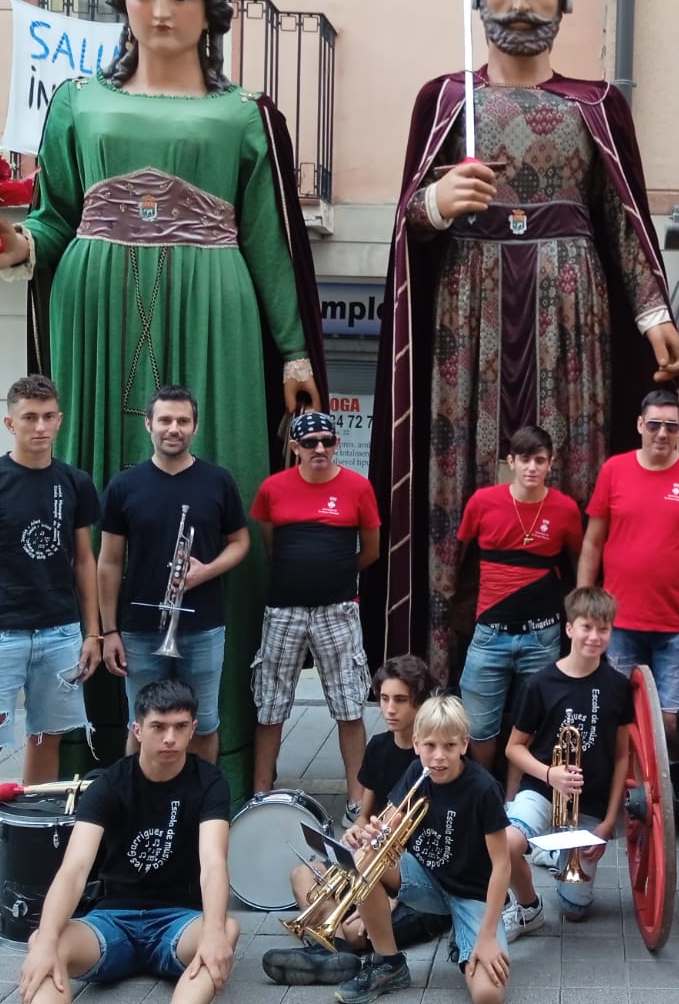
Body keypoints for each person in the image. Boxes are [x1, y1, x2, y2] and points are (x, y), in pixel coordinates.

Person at [0, 0, 328, 794]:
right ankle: (94, 755)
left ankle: (215, 756)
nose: (159, 10)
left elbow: (270, 242)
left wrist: (293, 352)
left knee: (218, 494)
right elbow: (54, 217)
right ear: (121, 4)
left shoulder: (244, 113)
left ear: (210, 11)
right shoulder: (78, 102)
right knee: (95, 502)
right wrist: (12, 247)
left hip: (214, 303)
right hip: (95, 306)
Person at [371, 0, 679, 683]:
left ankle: (568, 668)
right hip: (468, 302)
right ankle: (452, 669)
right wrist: (438, 202)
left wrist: (652, 312)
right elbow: (409, 223)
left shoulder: (596, 104)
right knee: (464, 480)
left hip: (566, 307)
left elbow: (622, 221)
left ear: (563, 4)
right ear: (478, 1)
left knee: (566, 477)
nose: (520, 3)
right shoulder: (446, 100)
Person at [0, 374, 100, 917]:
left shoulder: (75, 482)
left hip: (59, 633)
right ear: (10, 422)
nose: (40, 426)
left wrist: (92, 631)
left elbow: (84, 561)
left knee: (46, 741)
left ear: (60, 419)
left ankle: (33, 849)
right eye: (29, 417)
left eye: (49, 416)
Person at [14, 678, 239, 1004]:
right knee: (43, 941)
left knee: (225, 930)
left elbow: (213, 863)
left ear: (193, 729)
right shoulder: (109, 785)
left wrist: (214, 932)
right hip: (111, 920)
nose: (170, 738)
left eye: (180, 727)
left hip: (180, 920)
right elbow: (74, 869)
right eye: (158, 727)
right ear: (138, 730)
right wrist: (47, 941)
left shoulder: (210, 782)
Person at [262, 655, 449, 988]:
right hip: (370, 862)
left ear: (420, 703)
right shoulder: (378, 747)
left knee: (356, 930)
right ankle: (334, 950)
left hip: (410, 879)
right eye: (384, 698)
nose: (389, 709)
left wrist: (393, 898)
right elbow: (364, 815)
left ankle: (331, 947)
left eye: (400, 700)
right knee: (302, 875)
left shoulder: (434, 759)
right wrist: (354, 833)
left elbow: (441, 848)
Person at [99, 385, 249, 764]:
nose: (173, 428)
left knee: (203, 725)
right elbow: (109, 561)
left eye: (183, 421)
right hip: (140, 628)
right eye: (165, 420)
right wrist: (109, 630)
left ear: (195, 426)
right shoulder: (124, 485)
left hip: (203, 626)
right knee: (143, 724)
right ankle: (137, 797)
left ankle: (201, 799)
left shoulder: (218, 480)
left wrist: (206, 571)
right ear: (148, 424)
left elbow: (240, 542)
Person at [335, 697, 512, 1004]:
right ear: (416, 744)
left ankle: (466, 934)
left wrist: (486, 936)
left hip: (473, 895)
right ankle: (389, 964)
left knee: (487, 995)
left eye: (449, 746)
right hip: (429, 880)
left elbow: (502, 865)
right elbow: (390, 825)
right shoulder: (417, 770)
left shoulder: (483, 788)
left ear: (464, 744)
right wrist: (375, 837)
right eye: (430, 745)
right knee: (365, 859)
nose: (439, 756)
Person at [248, 411, 380, 802]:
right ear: (295, 447)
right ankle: (261, 796)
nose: (319, 448)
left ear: (337, 443)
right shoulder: (272, 488)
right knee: (270, 705)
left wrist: (335, 573)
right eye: (309, 442)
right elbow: (271, 546)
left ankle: (357, 801)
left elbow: (371, 550)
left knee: (349, 705)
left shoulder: (358, 487)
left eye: (327, 440)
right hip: (283, 612)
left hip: (338, 610)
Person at [577, 390, 679, 745]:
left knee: (674, 723)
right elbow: (592, 542)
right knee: (620, 719)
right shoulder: (614, 470)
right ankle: (626, 782)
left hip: (678, 623)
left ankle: (668, 783)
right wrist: (583, 605)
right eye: (654, 424)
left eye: (671, 426)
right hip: (619, 621)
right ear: (640, 424)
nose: (662, 433)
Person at [501, 586, 634, 937]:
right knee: (506, 843)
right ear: (570, 628)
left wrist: (608, 824)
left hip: (588, 803)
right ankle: (528, 907)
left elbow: (622, 756)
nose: (594, 636)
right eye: (586, 627)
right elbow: (514, 748)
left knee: (575, 911)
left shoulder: (618, 686)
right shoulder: (540, 683)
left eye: (603, 629)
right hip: (542, 790)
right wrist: (550, 774)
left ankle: (551, 852)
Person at [456, 425, 584, 770]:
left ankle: (517, 794)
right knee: (478, 727)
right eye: (525, 459)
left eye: (539, 460)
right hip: (489, 633)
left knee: (534, 725)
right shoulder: (482, 502)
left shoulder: (566, 509)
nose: (532, 467)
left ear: (551, 463)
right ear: (510, 461)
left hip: (542, 635)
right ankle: (485, 788)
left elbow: (576, 565)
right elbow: (459, 563)